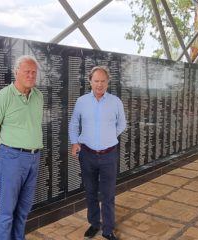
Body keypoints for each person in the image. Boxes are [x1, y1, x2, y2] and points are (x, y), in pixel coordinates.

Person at [0, 55, 43, 240]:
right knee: (6, 211)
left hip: (34, 158)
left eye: (34, 72)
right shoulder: (2, 97)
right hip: (11, 158)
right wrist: (5, 151)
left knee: (24, 209)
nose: (31, 75)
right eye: (27, 71)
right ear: (16, 72)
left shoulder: (38, 96)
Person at [69, 66, 126, 240]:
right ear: (90, 82)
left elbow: (122, 124)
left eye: (103, 81)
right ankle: (94, 224)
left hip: (109, 154)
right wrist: (74, 142)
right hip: (87, 155)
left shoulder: (115, 102)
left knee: (108, 194)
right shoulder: (81, 101)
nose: (99, 85)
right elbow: (73, 124)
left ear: (108, 83)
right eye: (96, 81)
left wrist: (109, 136)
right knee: (91, 191)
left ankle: (108, 229)